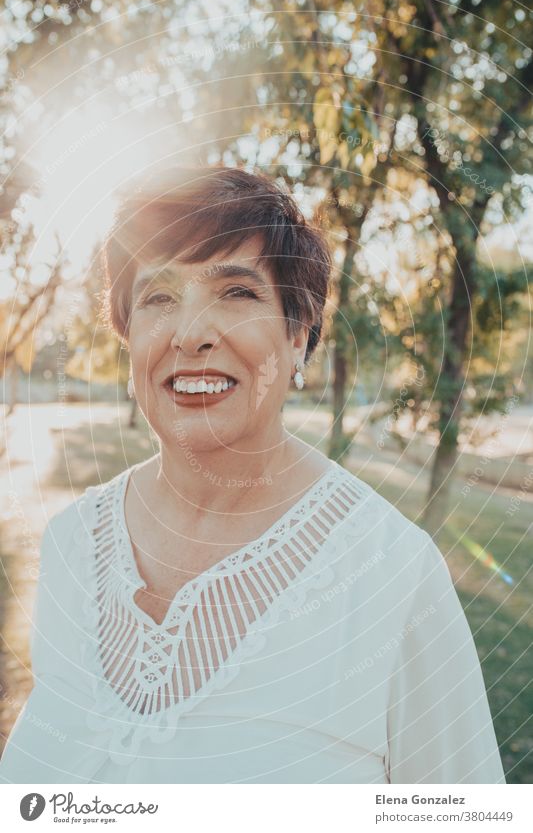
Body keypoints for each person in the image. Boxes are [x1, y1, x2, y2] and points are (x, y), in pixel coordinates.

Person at [0, 166, 505, 784]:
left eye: (236, 293)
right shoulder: (72, 543)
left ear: (299, 335)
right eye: (158, 297)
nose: (190, 335)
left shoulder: (392, 574)